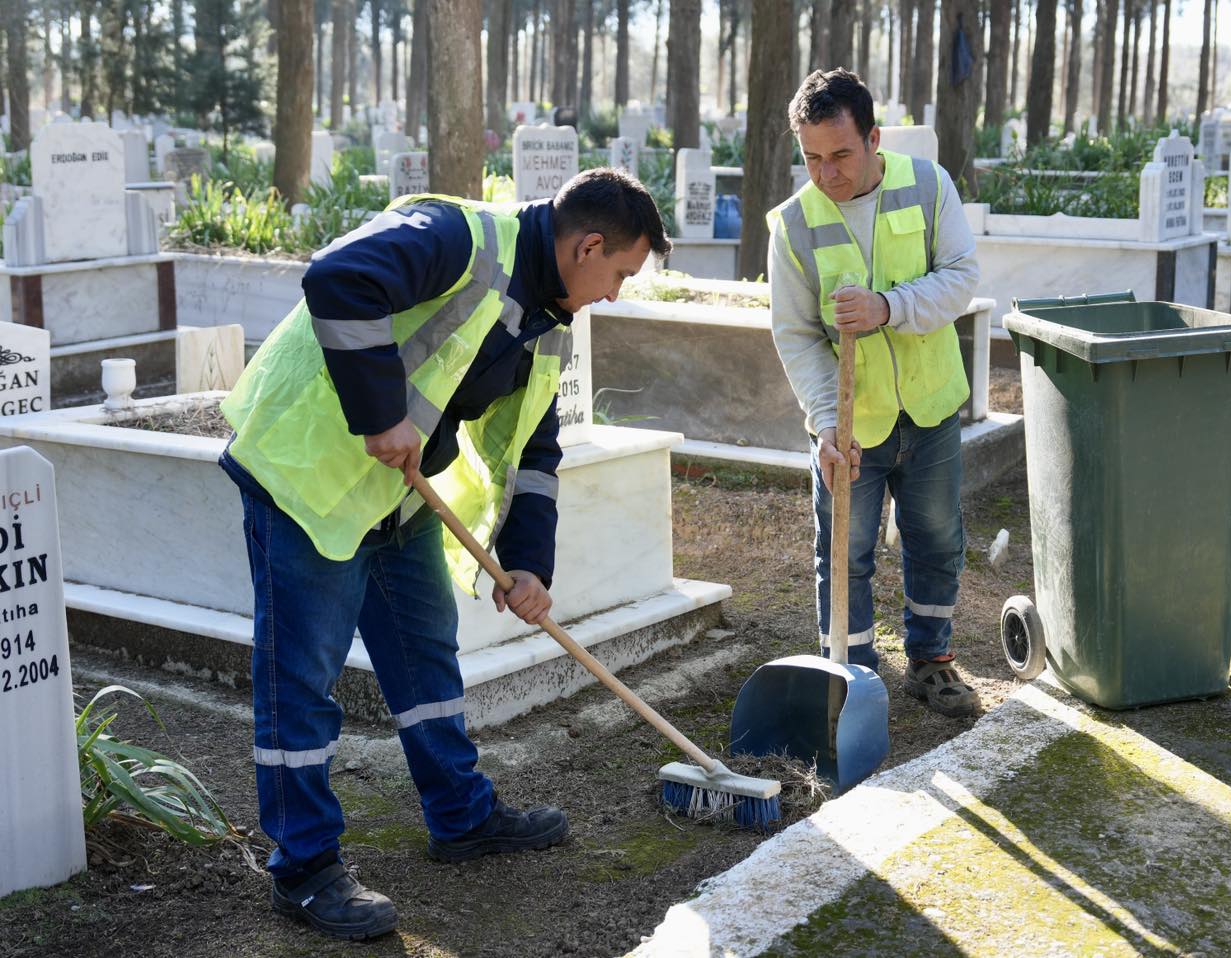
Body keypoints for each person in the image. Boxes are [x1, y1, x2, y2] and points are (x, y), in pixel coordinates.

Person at [218, 168, 670, 940]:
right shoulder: (460, 238)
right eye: (620, 275)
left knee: (426, 658)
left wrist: (529, 564)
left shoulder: (550, 319)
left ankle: (461, 816)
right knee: (302, 681)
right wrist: (379, 413)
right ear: (588, 247)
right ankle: (304, 867)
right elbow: (337, 278)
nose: (615, 294)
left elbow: (532, 448)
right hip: (307, 478)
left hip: (397, 498)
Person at [767, 68, 983, 719]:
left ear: (873, 139)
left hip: (931, 409)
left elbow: (961, 278)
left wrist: (887, 307)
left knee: (936, 538)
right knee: (845, 551)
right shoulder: (793, 225)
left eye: (840, 155)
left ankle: (931, 660)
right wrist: (827, 423)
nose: (826, 174)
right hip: (851, 427)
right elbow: (796, 335)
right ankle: (851, 675)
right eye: (811, 158)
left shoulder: (928, 185)